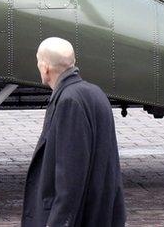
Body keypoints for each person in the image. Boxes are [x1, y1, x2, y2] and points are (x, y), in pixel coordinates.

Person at [22, 37, 126, 227]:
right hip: (100, 213)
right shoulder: (95, 93)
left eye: (38, 61)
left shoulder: (69, 101)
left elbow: (70, 178)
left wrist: (59, 222)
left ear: (45, 67)